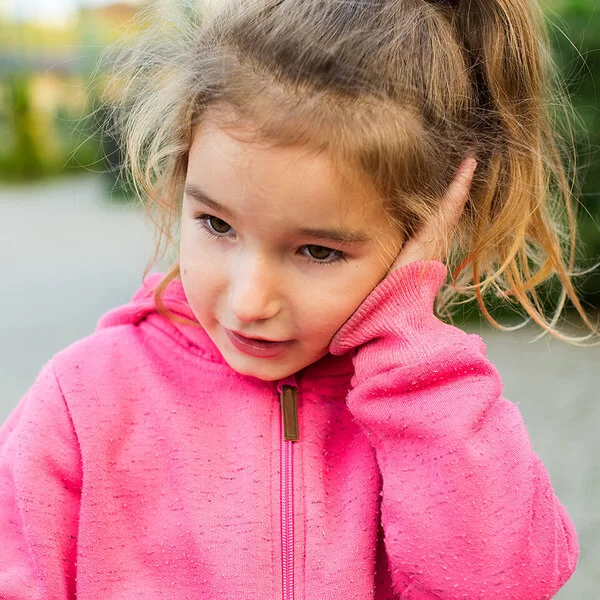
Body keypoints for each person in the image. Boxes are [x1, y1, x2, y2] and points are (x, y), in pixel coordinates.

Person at [0, 0, 590, 598]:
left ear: (426, 234)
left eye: (318, 252)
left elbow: (504, 584)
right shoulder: (85, 400)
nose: (250, 301)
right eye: (216, 225)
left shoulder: (437, 415)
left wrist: (412, 356)